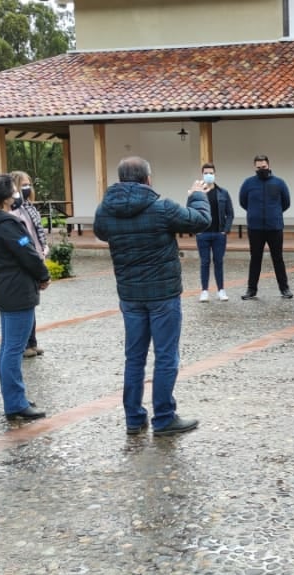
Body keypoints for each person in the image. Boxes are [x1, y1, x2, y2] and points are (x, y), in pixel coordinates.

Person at [93, 157, 210, 437]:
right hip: (163, 294)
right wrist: (196, 197)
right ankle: (164, 418)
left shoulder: (105, 211)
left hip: (130, 294)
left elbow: (100, 233)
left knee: (134, 358)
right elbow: (200, 221)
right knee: (166, 356)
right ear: (147, 179)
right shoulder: (162, 207)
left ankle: (134, 418)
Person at [0, 173, 51, 422]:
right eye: (15, 191)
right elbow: (27, 252)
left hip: (0, 286)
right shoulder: (7, 224)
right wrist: (43, 274)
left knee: (8, 346)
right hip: (18, 288)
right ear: (6, 198)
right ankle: (15, 404)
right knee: (14, 349)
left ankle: (15, 398)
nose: (18, 194)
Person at [238, 154, 292, 299]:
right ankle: (251, 289)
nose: (261, 169)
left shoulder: (279, 183)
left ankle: (284, 289)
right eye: (259, 167)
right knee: (255, 258)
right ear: (254, 167)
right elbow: (243, 202)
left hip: (274, 227)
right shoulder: (248, 183)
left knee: (278, 258)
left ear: (269, 165)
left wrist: (274, 213)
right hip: (255, 228)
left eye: (264, 167)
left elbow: (286, 203)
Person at [9, 171, 49, 358]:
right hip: (26, 258)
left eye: (29, 184)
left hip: (36, 255)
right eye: (23, 184)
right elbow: (22, 239)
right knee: (26, 304)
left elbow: (36, 232)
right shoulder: (14, 211)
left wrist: (43, 250)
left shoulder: (30, 207)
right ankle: (24, 344)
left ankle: (32, 342)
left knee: (32, 303)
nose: (27, 188)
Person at [195, 163, 235, 302]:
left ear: (215, 174)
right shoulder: (197, 193)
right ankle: (204, 290)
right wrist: (196, 230)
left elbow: (230, 213)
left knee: (218, 262)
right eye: (206, 173)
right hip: (203, 234)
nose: (208, 175)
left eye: (211, 173)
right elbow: (191, 211)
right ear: (202, 174)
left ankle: (221, 290)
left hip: (219, 234)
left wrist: (226, 230)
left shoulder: (223, 193)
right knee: (204, 262)